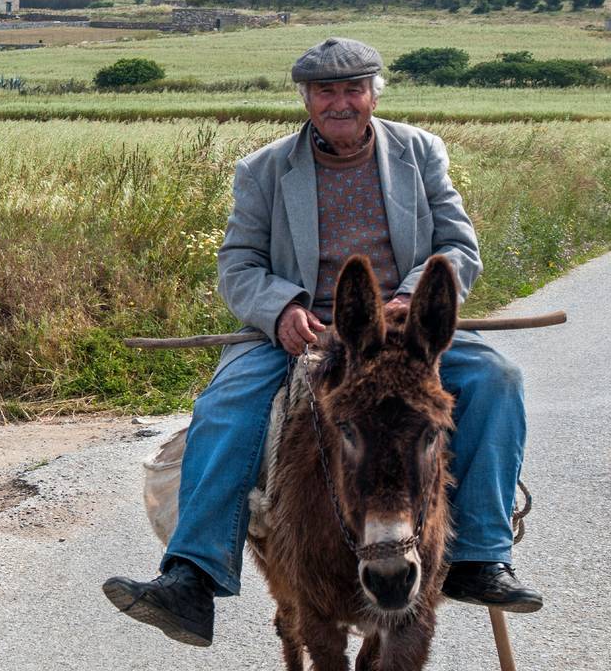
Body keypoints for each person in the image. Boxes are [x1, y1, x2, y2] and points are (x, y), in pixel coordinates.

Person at [102, 37, 539, 647]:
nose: (340, 103)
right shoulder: (264, 169)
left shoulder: (419, 153)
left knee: (499, 379)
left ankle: (482, 557)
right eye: (325, 91)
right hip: (302, 333)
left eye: (352, 89)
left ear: (373, 94)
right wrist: (279, 307)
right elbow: (239, 264)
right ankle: (192, 577)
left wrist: (414, 298)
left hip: (401, 336)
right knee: (226, 407)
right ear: (305, 98)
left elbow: (459, 247)